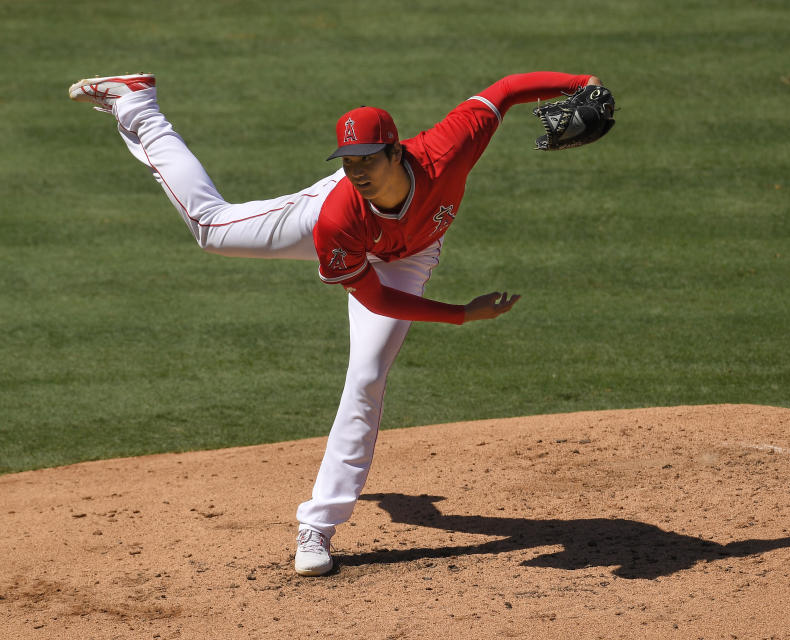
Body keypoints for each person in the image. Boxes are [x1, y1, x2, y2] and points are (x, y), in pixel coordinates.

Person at [68, 70, 606, 576]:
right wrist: (461, 314)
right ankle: (137, 102)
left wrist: (584, 83)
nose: (358, 171)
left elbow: (508, 89)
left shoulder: (450, 146)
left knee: (367, 377)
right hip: (346, 235)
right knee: (211, 228)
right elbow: (375, 298)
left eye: (368, 159)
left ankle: (315, 527)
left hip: (411, 255)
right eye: (348, 160)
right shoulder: (338, 212)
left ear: (396, 150)